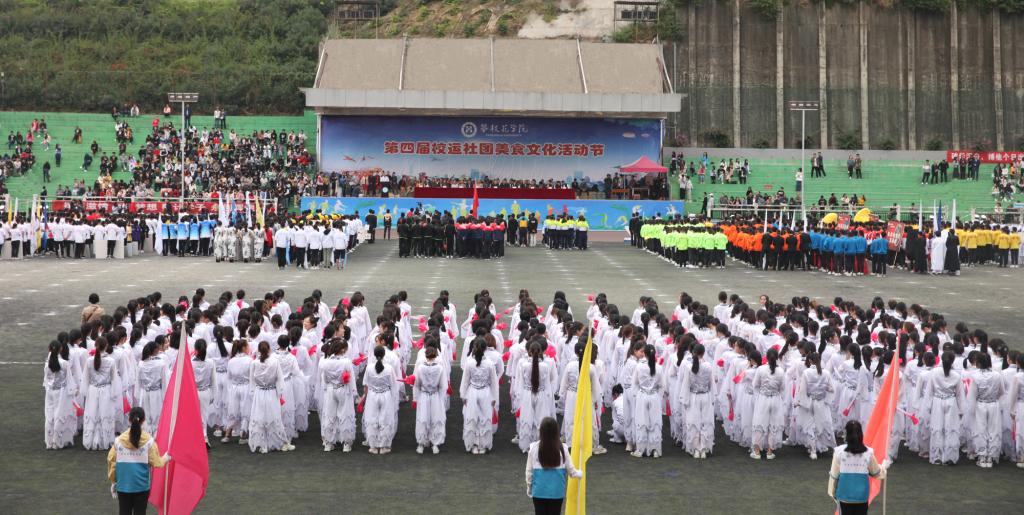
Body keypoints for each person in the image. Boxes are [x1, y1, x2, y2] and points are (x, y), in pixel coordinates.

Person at [107, 407, 170, 515]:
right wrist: (166, 457)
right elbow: (157, 462)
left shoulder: (118, 441)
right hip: (142, 487)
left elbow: (111, 461)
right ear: (143, 420)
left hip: (123, 486)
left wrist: (114, 481)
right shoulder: (149, 442)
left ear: (129, 420)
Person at [524, 417, 582, 515]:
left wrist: (529, 487)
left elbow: (529, 472)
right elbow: (572, 472)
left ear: (541, 431)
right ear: (556, 431)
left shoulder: (533, 448)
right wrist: (580, 473)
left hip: (539, 491)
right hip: (557, 491)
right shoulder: (563, 448)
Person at [827, 420, 886, 515]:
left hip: (844, 496)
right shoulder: (868, 452)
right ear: (861, 434)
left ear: (846, 434)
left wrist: (832, 493)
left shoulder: (839, 452)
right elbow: (877, 473)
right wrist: (884, 466)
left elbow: (834, 475)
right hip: (862, 497)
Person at [461, 337, 500, 455]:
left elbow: (465, 381)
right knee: (484, 418)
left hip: (472, 392)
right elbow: (494, 382)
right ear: (485, 349)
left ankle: (474, 445)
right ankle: (482, 445)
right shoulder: (489, 363)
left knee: (472, 418)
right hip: (485, 393)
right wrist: (494, 398)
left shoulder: (469, 362)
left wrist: (463, 395)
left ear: (474, 347)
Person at [413, 344, 448, 454]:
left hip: (423, 395)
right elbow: (443, 386)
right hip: (435, 395)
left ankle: (421, 444)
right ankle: (435, 444)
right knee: (436, 419)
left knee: (422, 418)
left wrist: (416, 398)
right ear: (436, 355)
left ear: (425, 355)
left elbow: (416, 384)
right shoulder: (440, 368)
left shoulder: (420, 368)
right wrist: (441, 399)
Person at [43, 340, 77, 449]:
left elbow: (46, 380)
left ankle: (49, 441)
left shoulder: (47, 364)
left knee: (49, 414)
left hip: (50, 391)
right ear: (61, 349)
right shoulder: (64, 363)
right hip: (62, 392)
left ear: (49, 349)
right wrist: (73, 391)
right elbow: (69, 379)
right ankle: (58, 441)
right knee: (60, 415)